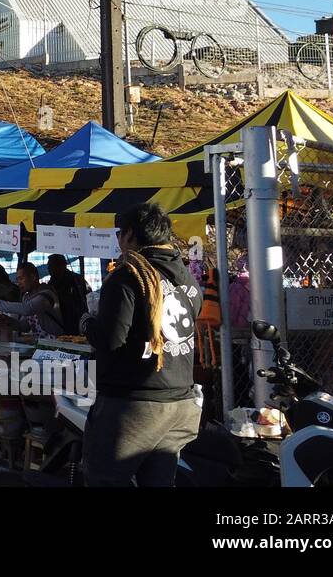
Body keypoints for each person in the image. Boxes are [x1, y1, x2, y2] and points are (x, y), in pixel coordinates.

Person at [79, 203, 201, 487]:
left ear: (131, 235)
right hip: (181, 401)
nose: (119, 241)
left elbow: (111, 339)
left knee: (103, 479)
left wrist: (87, 323)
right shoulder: (187, 279)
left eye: (120, 234)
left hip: (135, 403)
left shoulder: (128, 276)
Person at [0, 262, 64, 337]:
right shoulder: (26, 297)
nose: (19, 283)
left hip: (55, 344)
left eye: (21, 278)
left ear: (33, 277)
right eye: (17, 279)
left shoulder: (47, 294)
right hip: (39, 343)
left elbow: (27, 309)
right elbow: (24, 327)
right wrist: (8, 320)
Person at [47, 254, 89, 333]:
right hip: (58, 321)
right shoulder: (52, 282)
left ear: (62, 266)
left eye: (52, 266)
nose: (49, 269)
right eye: (48, 266)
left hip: (74, 320)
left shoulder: (76, 280)